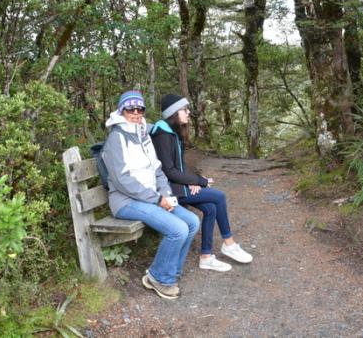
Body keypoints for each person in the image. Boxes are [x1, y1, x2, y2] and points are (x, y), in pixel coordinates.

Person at [102, 90, 199, 299]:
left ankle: (170, 271)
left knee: (191, 221)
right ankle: (159, 278)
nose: (136, 112)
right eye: (130, 108)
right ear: (122, 110)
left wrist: (166, 195)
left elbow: (157, 170)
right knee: (177, 229)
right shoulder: (116, 139)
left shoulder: (143, 135)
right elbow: (122, 180)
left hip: (150, 198)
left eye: (140, 109)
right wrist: (156, 199)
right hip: (125, 202)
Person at [150, 94, 253, 272]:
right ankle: (229, 243)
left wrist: (191, 182)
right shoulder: (162, 134)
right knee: (219, 196)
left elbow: (179, 168)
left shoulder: (173, 132)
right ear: (174, 112)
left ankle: (206, 256)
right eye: (185, 109)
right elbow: (169, 171)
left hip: (179, 187)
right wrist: (199, 181)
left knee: (210, 208)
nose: (188, 112)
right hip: (168, 192)